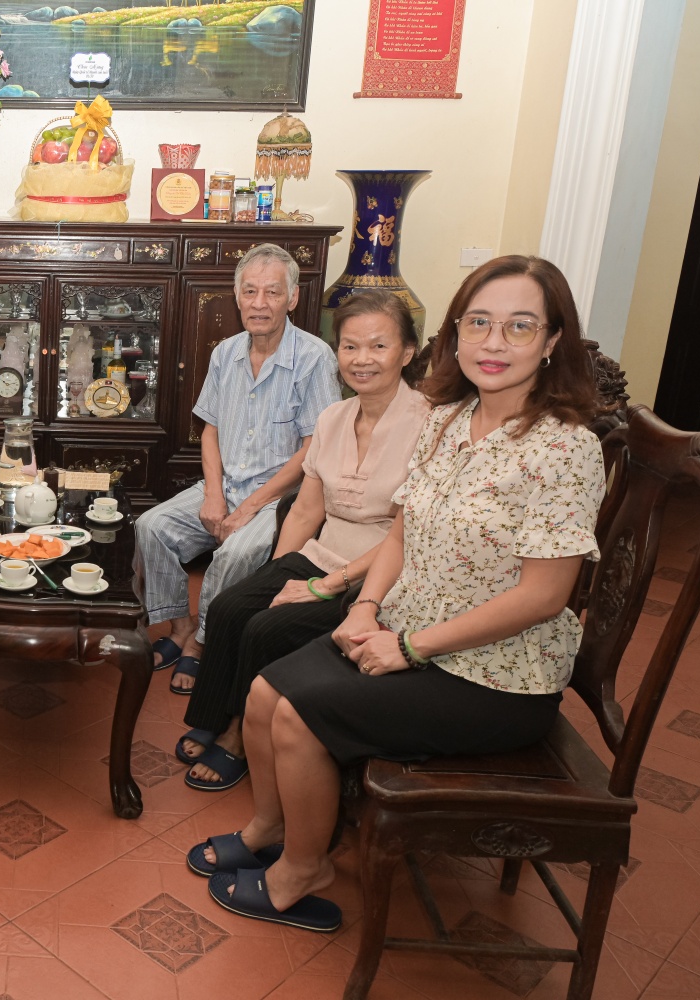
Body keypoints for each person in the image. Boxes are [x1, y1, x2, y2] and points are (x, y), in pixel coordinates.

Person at [194, 256, 604, 935]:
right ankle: (268, 825)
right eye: (479, 324)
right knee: (265, 687)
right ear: (455, 335)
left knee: (295, 713)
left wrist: (410, 645)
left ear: (553, 340)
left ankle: (303, 870)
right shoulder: (448, 422)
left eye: (519, 327)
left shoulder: (564, 448)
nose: (494, 343)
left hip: (490, 675)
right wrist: (363, 608)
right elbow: (402, 534)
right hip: (403, 627)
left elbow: (543, 596)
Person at [175, 290, 429, 792]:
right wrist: (278, 570)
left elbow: (409, 535)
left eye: (378, 347)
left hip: (381, 574)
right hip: (322, 552)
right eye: (350, 347)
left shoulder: (431, 424)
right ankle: (217, 711)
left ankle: (238, 738)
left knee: (268, 626)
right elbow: (308, 508)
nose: (362, 360)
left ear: (407, 352)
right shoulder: (333, 418)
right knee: (231, 606)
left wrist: (323, 586)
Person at [134, 243, 339, 692]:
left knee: (237, 552)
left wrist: (248, 507)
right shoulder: (225, 353)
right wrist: (213, 493)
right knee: (152, 525)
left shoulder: (315, 357)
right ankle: (178, 626)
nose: (259, 303)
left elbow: (314, 449)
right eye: (250, 292)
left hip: (280, 495)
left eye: (271, 292)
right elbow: (210, 430)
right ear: (236, 295)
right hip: (226, 482)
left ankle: (204, 641)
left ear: (292, 298)